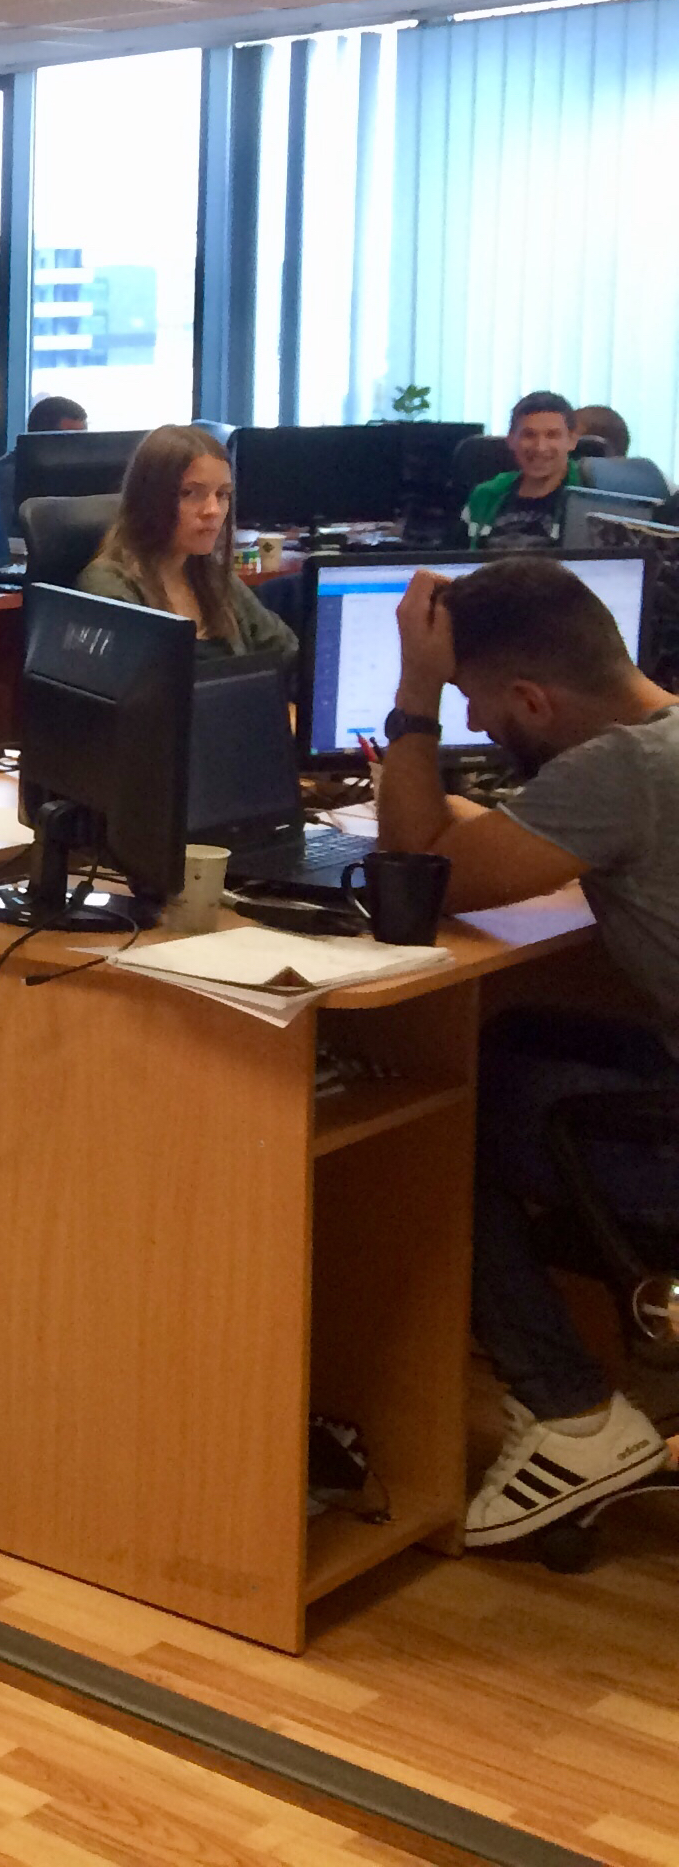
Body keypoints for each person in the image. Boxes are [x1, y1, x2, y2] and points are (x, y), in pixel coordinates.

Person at [376, 556, 679, 1545]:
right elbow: (509, 845)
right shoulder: (659, 744)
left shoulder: (620, 774)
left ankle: (572, 1414)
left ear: (535, 700)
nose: (472, 724)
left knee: (429, 1119)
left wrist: (415, 697)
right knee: (508, 1042)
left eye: (477, 702)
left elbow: (416, 871)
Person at [77, 423, 295, 662]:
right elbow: (145, 681)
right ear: (149, 498)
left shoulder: (212, 576)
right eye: (190, 493)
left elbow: (288, 652)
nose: (213, 510)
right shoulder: (108, 587)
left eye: (222, 494)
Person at [467, 390, 583, 551]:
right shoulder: (486, 495)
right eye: (529, 435)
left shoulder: (587, 498)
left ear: (572, 441)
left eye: (552, 435)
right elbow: (455, 559)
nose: (540, 447)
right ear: (510, 440)